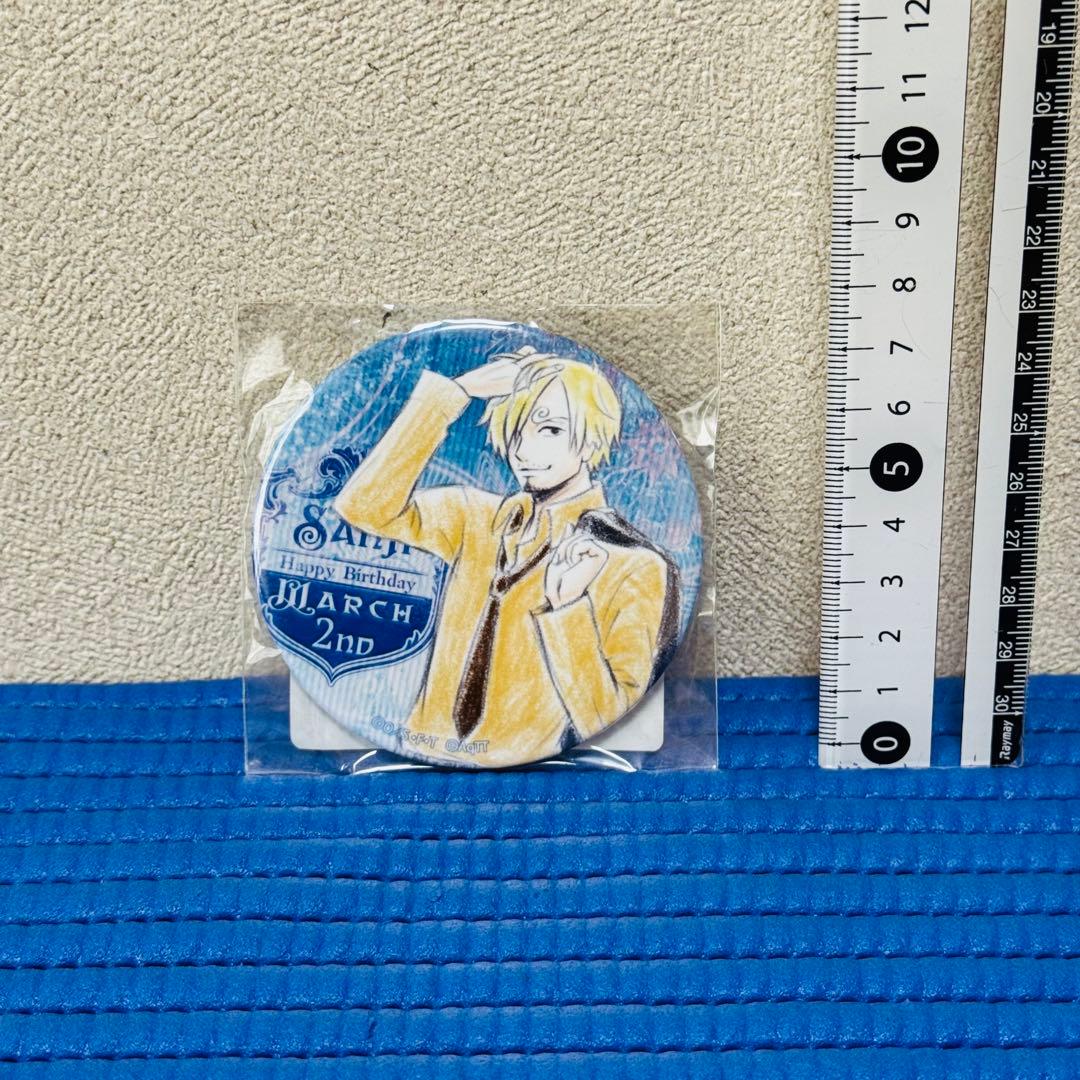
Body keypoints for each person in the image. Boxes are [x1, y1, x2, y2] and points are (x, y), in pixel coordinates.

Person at [334, 346, 679, 766]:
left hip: (542, 774)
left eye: (549, 430)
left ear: (591, 442)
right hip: (419, 754)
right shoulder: (477, 518)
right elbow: (363, 507)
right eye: (515, 432)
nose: (523, 452)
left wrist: (567, 611)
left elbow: (611, 715)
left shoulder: (633, 563)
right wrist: (453, 394)